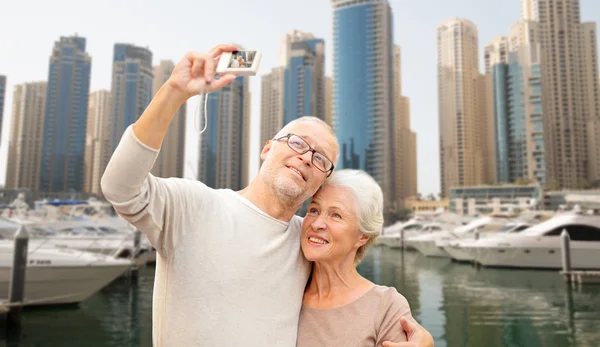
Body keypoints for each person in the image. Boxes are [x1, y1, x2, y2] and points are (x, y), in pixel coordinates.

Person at [101, 44, 434, 347]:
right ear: (267, 148)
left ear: (320, 183)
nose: (306, 156)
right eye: (298, 142)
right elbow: (120, 188)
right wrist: (173, 92)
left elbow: (352, 295)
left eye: (320, 158)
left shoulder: (307, 243)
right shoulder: (193, 205)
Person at [297, 169, 413, 346]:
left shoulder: (386, 307)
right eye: (314, 210)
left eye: (336, 215)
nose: (317, 223)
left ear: (362, 236)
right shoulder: (287, 291)